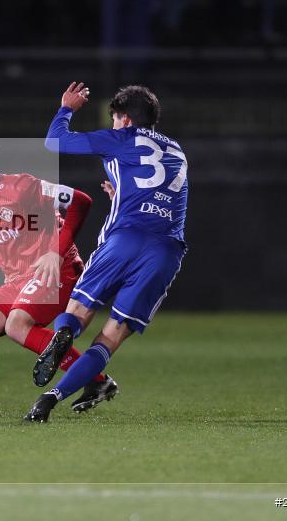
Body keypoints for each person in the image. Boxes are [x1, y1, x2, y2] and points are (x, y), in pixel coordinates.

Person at [25, 83, 187, 423]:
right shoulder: (176, 151)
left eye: (115, 119)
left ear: (125, 120)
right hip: (165, 251)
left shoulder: (121, 139)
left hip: (125, 238)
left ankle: (65, 333)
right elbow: (160, 196)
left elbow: (55, 140)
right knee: (111, 337)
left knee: (79, 309)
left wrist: (66, 108)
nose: (113, 125)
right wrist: (122, 195)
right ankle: (50, 399)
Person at [0, 133, 120, 416]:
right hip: (19, 279)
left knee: (16, 325)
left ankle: (95, 379)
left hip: (57, 272)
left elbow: (80, 201)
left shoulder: (21, 188)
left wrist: (55, 253)